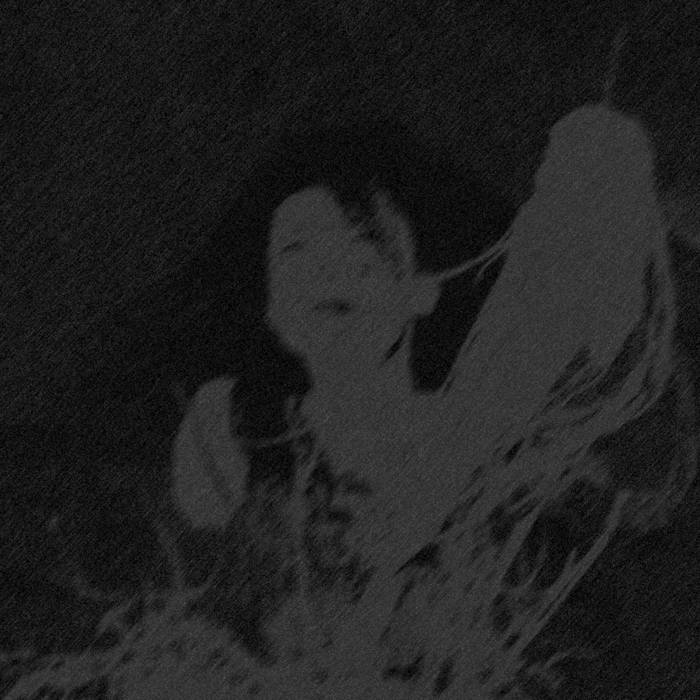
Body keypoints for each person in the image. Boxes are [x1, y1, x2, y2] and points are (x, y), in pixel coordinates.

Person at [166, 106, 696, 697]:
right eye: (295, 252)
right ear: (274, 312)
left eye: (361, 246)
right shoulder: (231, 432)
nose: (326, 272)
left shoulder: (505, 452)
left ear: (419, 291)